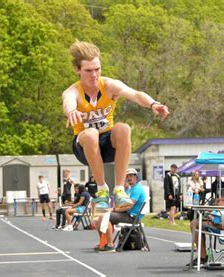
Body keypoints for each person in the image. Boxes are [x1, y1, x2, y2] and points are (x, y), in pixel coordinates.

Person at [62, 41, 169, 210]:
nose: (94, 75)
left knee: (123, 128)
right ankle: (102, 189)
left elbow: (135, 94)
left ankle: (119, 189)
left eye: (97, 69)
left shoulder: (110, 85)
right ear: (77, 70)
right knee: (90, 133)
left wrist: (153, 104)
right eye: (88, 70)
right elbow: (68, 102)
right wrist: (72, 111)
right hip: (84, 145)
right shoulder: (73, 91)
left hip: (107, 143)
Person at [93, 168, 146, 253]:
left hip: (133, 217)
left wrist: (113, 209)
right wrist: (113, 208)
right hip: (126, 214)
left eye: (131, 175)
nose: (129, 178)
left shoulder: (137, 189)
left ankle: (110, 245)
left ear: (136, 177)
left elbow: (128, 206)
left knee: (105, 216)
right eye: (127, 176)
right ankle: (103, 243)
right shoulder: (129, 189)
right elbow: (120, 204)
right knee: (97, 218)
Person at [187, 198, 224, 266]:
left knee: (194, 224)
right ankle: (202, 257)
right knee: (196, 223)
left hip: (221, 225)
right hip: (219, 224)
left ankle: (202, 257)